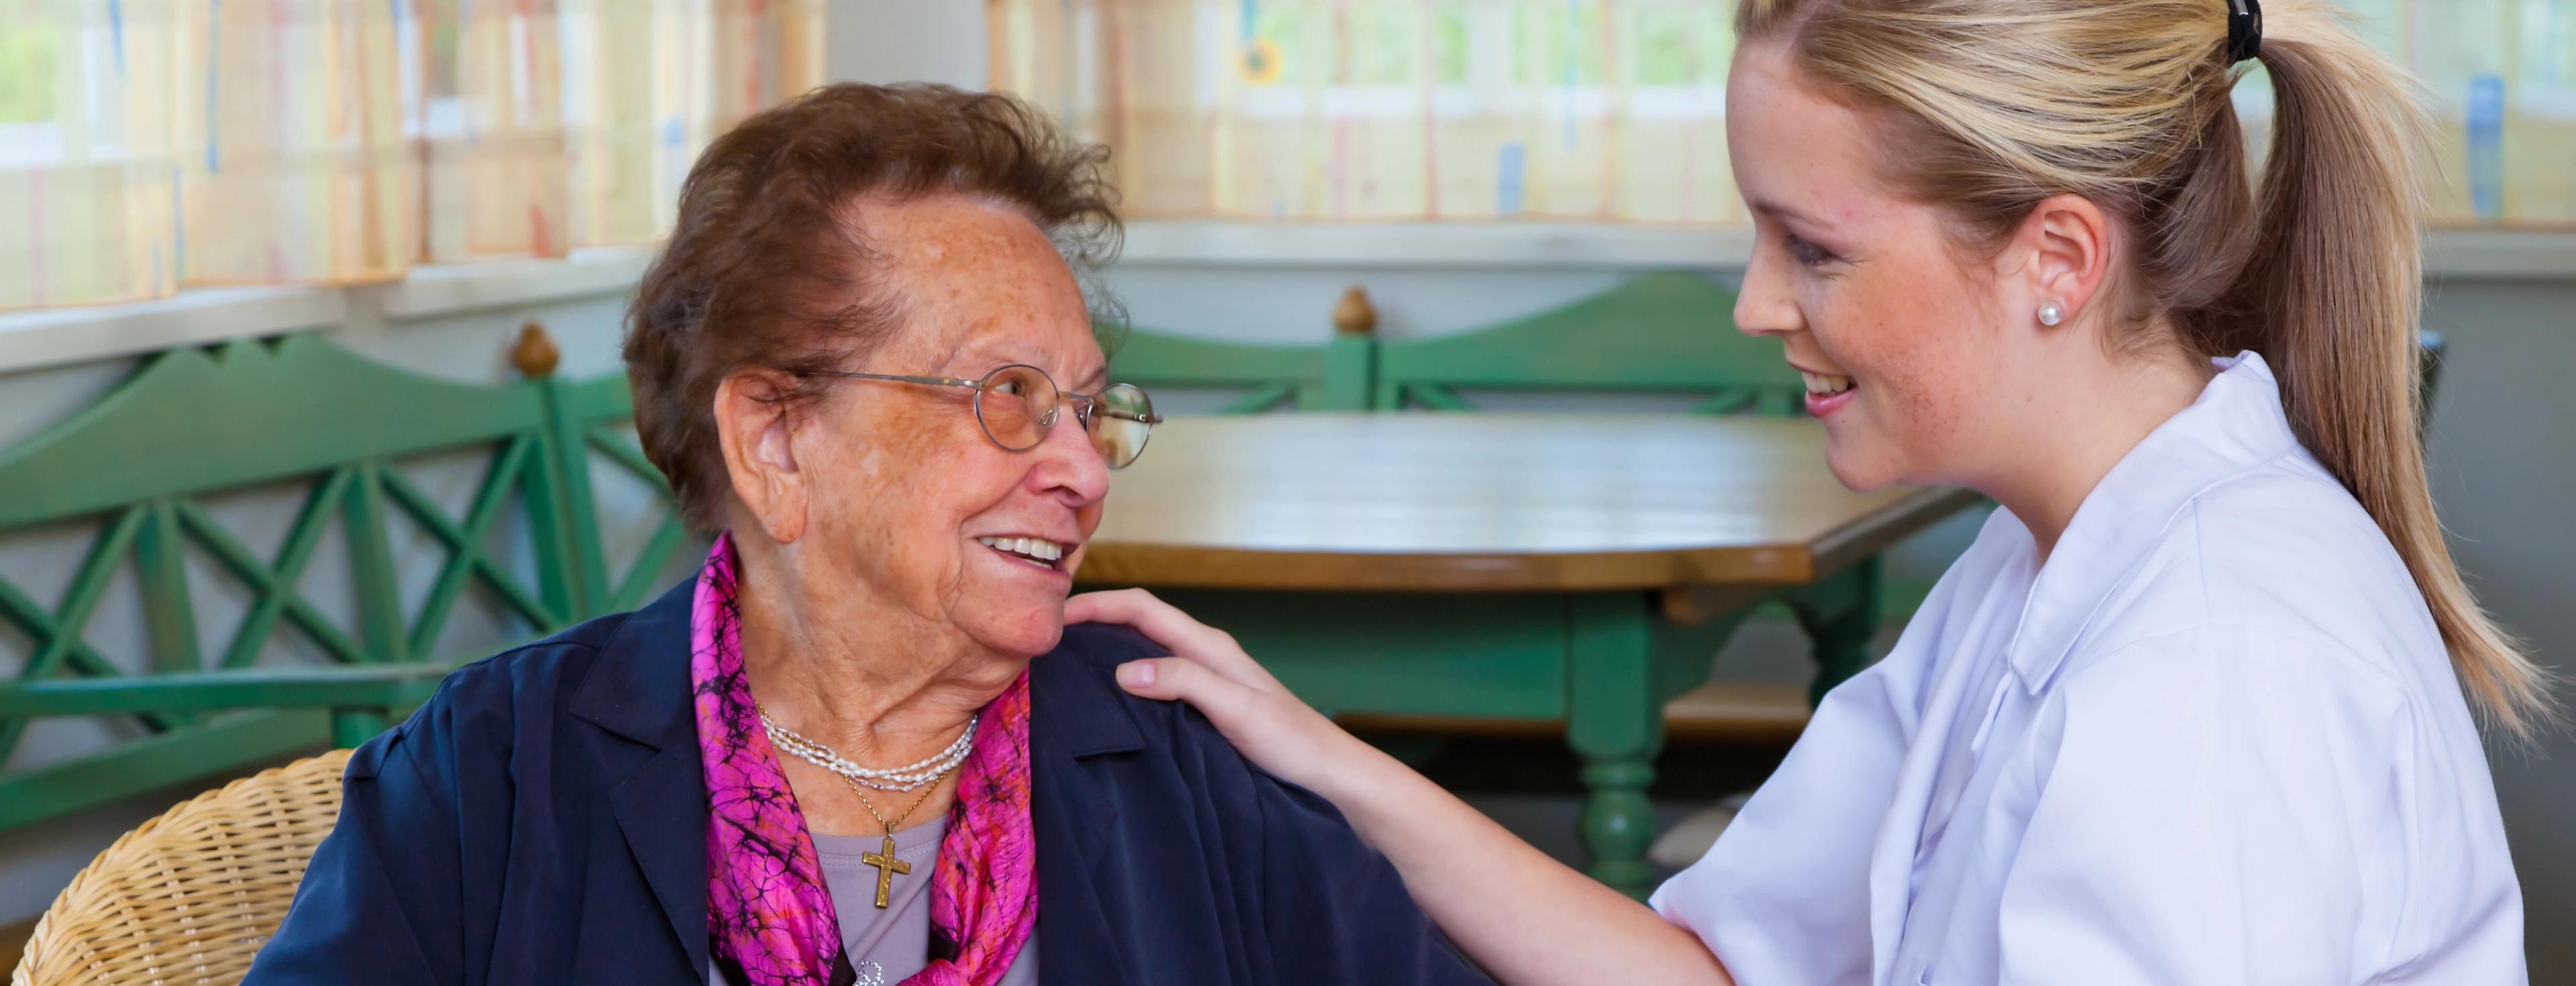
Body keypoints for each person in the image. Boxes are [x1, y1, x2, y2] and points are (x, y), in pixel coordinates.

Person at [1072, 1, 2546, 983]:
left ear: (2057, 259)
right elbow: (1711, 969)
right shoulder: (2043, 564)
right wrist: (1317, 752)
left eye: (1814, 249)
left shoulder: (2216, 668)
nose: (1756, 306)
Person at [242, 83, 1489, 986]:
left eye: (1089, 409)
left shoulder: (1184, 757)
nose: (1079, 470)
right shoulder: (495, 775)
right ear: (777, 439)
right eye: (1007, 397)